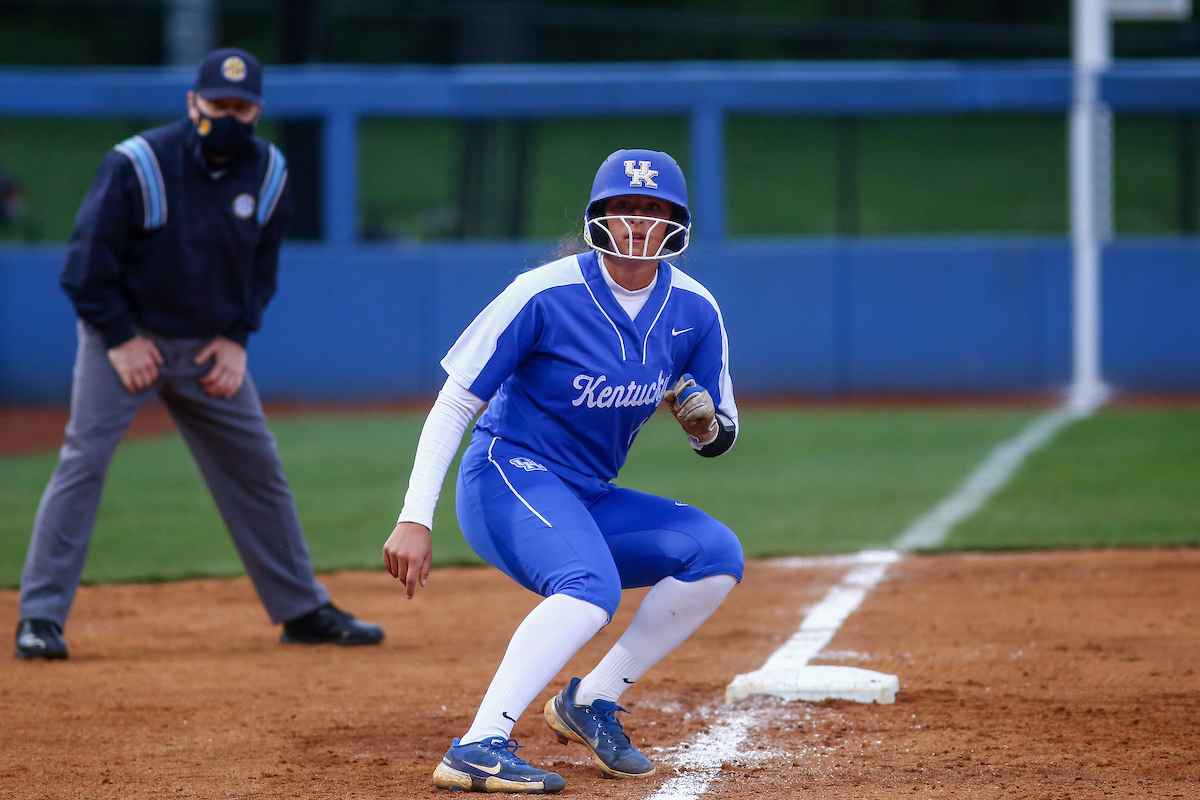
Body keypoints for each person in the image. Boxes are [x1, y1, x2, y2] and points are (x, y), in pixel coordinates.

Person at [383, 149, 742, 794]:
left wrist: (703, 426)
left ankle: (591, 702)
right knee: (588, 585)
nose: (638, 223)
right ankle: (480, 744)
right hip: (506, 474)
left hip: (586, 492)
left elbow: (721, 434)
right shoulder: (543, 293)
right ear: (597, 218)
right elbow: (456, 402)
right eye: (624, 208)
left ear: (677, 224)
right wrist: (415, 516)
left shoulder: (695, 309)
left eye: (654, 211)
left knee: (714, 553)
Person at [13, 48, 384, 661]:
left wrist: (237, 338)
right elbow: (84, 271)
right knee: (82, 462)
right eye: (218, 105)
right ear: (193, 104)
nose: (229, 116)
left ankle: (302, 610)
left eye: (242, 107)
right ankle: (39, 618)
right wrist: (121, 339)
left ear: (258, 111)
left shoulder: (269, 172)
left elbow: (261, 270)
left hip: (210, 347)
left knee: (258, 468)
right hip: (125, 338)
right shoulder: (137, 164)